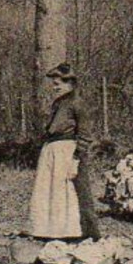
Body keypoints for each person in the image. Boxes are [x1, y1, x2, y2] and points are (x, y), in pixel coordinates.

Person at [30, 63, 101, 240]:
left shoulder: (77, 103)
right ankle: (52, 231)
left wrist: (76, 159)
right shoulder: (59, 103)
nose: (55, 87)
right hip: (52, 151)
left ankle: (81, 233)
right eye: (54, 84)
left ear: (69, 82)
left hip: (67, 152)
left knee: (72, 192)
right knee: (51, 192)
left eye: (58, 84)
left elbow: (85, 134)